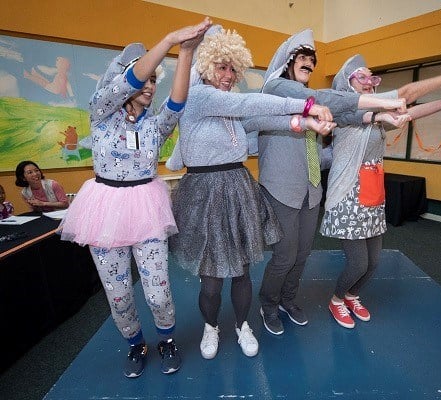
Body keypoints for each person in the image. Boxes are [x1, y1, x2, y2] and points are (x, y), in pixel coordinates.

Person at [166, 25, 334, 359]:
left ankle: (243, 325)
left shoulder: (229, 109)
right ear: (206, 65)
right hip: (204, 194)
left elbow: (263, 120)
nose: (228, 75)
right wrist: (306, 107)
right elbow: (252, 103)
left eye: (232, 69)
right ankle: (211, 327)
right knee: (212, 279)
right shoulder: (199, 97)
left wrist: (305, 124)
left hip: (238, 191)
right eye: (221, 67)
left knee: (241, 271)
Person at [59, 18, 212, 378]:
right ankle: (135, 344)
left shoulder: (153, 125)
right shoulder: (102, 112)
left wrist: (185, 52)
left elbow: (177, 101)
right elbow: (128, 79)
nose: (149, 84)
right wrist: (169, 39)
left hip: (145, 208)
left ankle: (167, 340)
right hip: (104, 209)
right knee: (119, 294)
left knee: (158, 293)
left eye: (154, 79)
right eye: (144, 77)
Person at [257, 28, 415, 336]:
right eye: (303, 58)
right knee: (285, 255)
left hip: (310, 190)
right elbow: (319, 99)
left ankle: (288, 300)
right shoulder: (276, 88)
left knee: (302, 254)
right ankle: (268, 304)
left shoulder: (314, 104)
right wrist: (381, 102)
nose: (309, 64)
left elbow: (315, 153)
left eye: (312, 61)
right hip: (281, 189)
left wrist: (340, 157)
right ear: (289, 61)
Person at [321, 54, 441, 328]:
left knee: (373, 263)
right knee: (358, 264)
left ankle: (351, 294)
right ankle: (336, 300)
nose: (369, 82)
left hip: (372, 194)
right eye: (362, 77)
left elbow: (411, 111)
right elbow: (392, 104)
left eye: (372, 77)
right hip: (347, 197)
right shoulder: (344, 112)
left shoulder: (377, 114)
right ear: (346, 84)